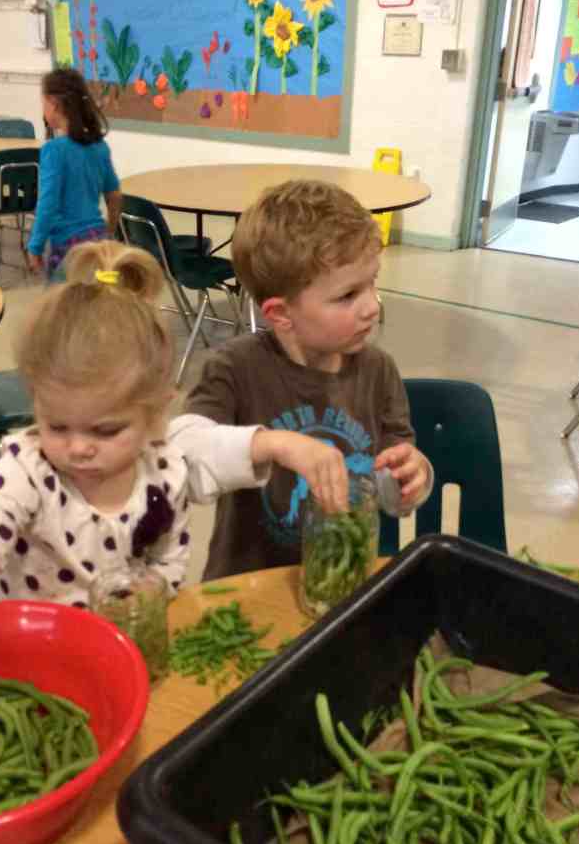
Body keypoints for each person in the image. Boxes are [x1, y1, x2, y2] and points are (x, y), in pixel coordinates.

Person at [0, 240, 350, 764]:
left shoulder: (165, 463)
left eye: (106, 429)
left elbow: (214, 451)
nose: (78, 447)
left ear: (155, 414)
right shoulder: (27, 470)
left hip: (126, 670)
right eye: (56, 424)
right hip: (30, 676)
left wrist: (282, 443)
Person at [180, 178, 434, 581]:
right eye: (347, 295)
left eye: (372, 282)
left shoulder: (379, 371)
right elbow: (179, 456)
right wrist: (271, 444)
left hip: (343, 580)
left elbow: (390, 487)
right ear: (281, 314)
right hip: (248, 585)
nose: (371, 306)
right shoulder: (233, 368)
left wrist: (410, 477)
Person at [27, 67, 123, 278]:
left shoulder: (53, 150)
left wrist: (35, 247)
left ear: (53, 103)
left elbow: (48, 204)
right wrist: (109, 231)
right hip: (99, 245)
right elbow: (114, 195)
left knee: (65, 307)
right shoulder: (99, 146)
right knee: (98, 301)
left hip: (69, 249)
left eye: (43, 103)